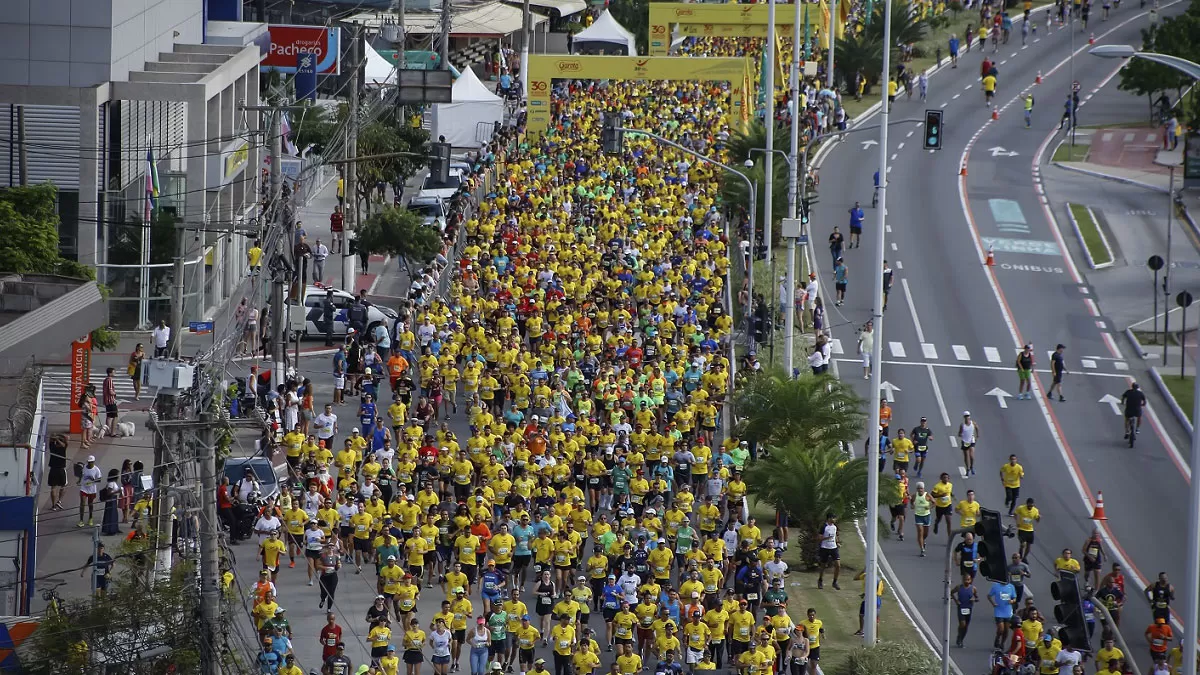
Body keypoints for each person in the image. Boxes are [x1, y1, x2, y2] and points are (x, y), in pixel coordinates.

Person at [988, 576, 1017, 649]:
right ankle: (997, 638)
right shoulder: (996, 586)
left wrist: (1012, 601)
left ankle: (1002, 643)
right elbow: (989, 596)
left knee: (1006, 630)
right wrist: (993, 603)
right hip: (999, 611)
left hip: (1008, 611)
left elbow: (1014, 598)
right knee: (1001, 629)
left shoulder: (1011, 587)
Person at [951, 573, 977, 648]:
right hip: (961, 607)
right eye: (965, 580)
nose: (967, 581)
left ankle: (961, 639)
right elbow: (951, 593)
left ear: (970, 580)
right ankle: (959, 636)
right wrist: (956, 601)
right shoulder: (959, 587)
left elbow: (977, 598)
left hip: (968, 608)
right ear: (962, 580)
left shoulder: (973, 588)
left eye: (968, 580)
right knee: (962, 624)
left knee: (966, 626)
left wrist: (974, 599)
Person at [816, 513, 840, 590]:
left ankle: (835, 582)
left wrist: (837, 542)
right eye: (833, 518)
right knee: (823, 565)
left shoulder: (834, 527)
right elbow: (819, 538)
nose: (835, 520)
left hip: (833, 548)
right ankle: (820, 580)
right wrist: (827, 538)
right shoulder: (824, 527)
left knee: (838, 565)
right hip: (825, 548)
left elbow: (835, 536)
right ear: (829, 518)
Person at [78, 455, 102, 527]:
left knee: (90, 504)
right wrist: (79, 481)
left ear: (94, 462)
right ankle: (81, 520)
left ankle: (90, 518)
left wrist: (93, 480)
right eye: (88, 462)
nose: (89, 463)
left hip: (92, 489)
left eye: (91, 462)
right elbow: (81, 475)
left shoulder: (96, 470)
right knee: (82, 503)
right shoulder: (84, 467)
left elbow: (99, 479)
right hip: (84, 488)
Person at [958, 412, 980, 476]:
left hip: (971, 441)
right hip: (965, 441)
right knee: (966, 456)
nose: (967, 417)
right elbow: (959, 433)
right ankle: (967, 469)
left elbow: (977, 428)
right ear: (964, 417)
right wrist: (961, 434)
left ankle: (972, 467)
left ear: (969, 416)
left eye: (968, 416)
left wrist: (977, 435)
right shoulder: (962, 425)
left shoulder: (973, 423)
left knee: (971, 456)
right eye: (966, 416)